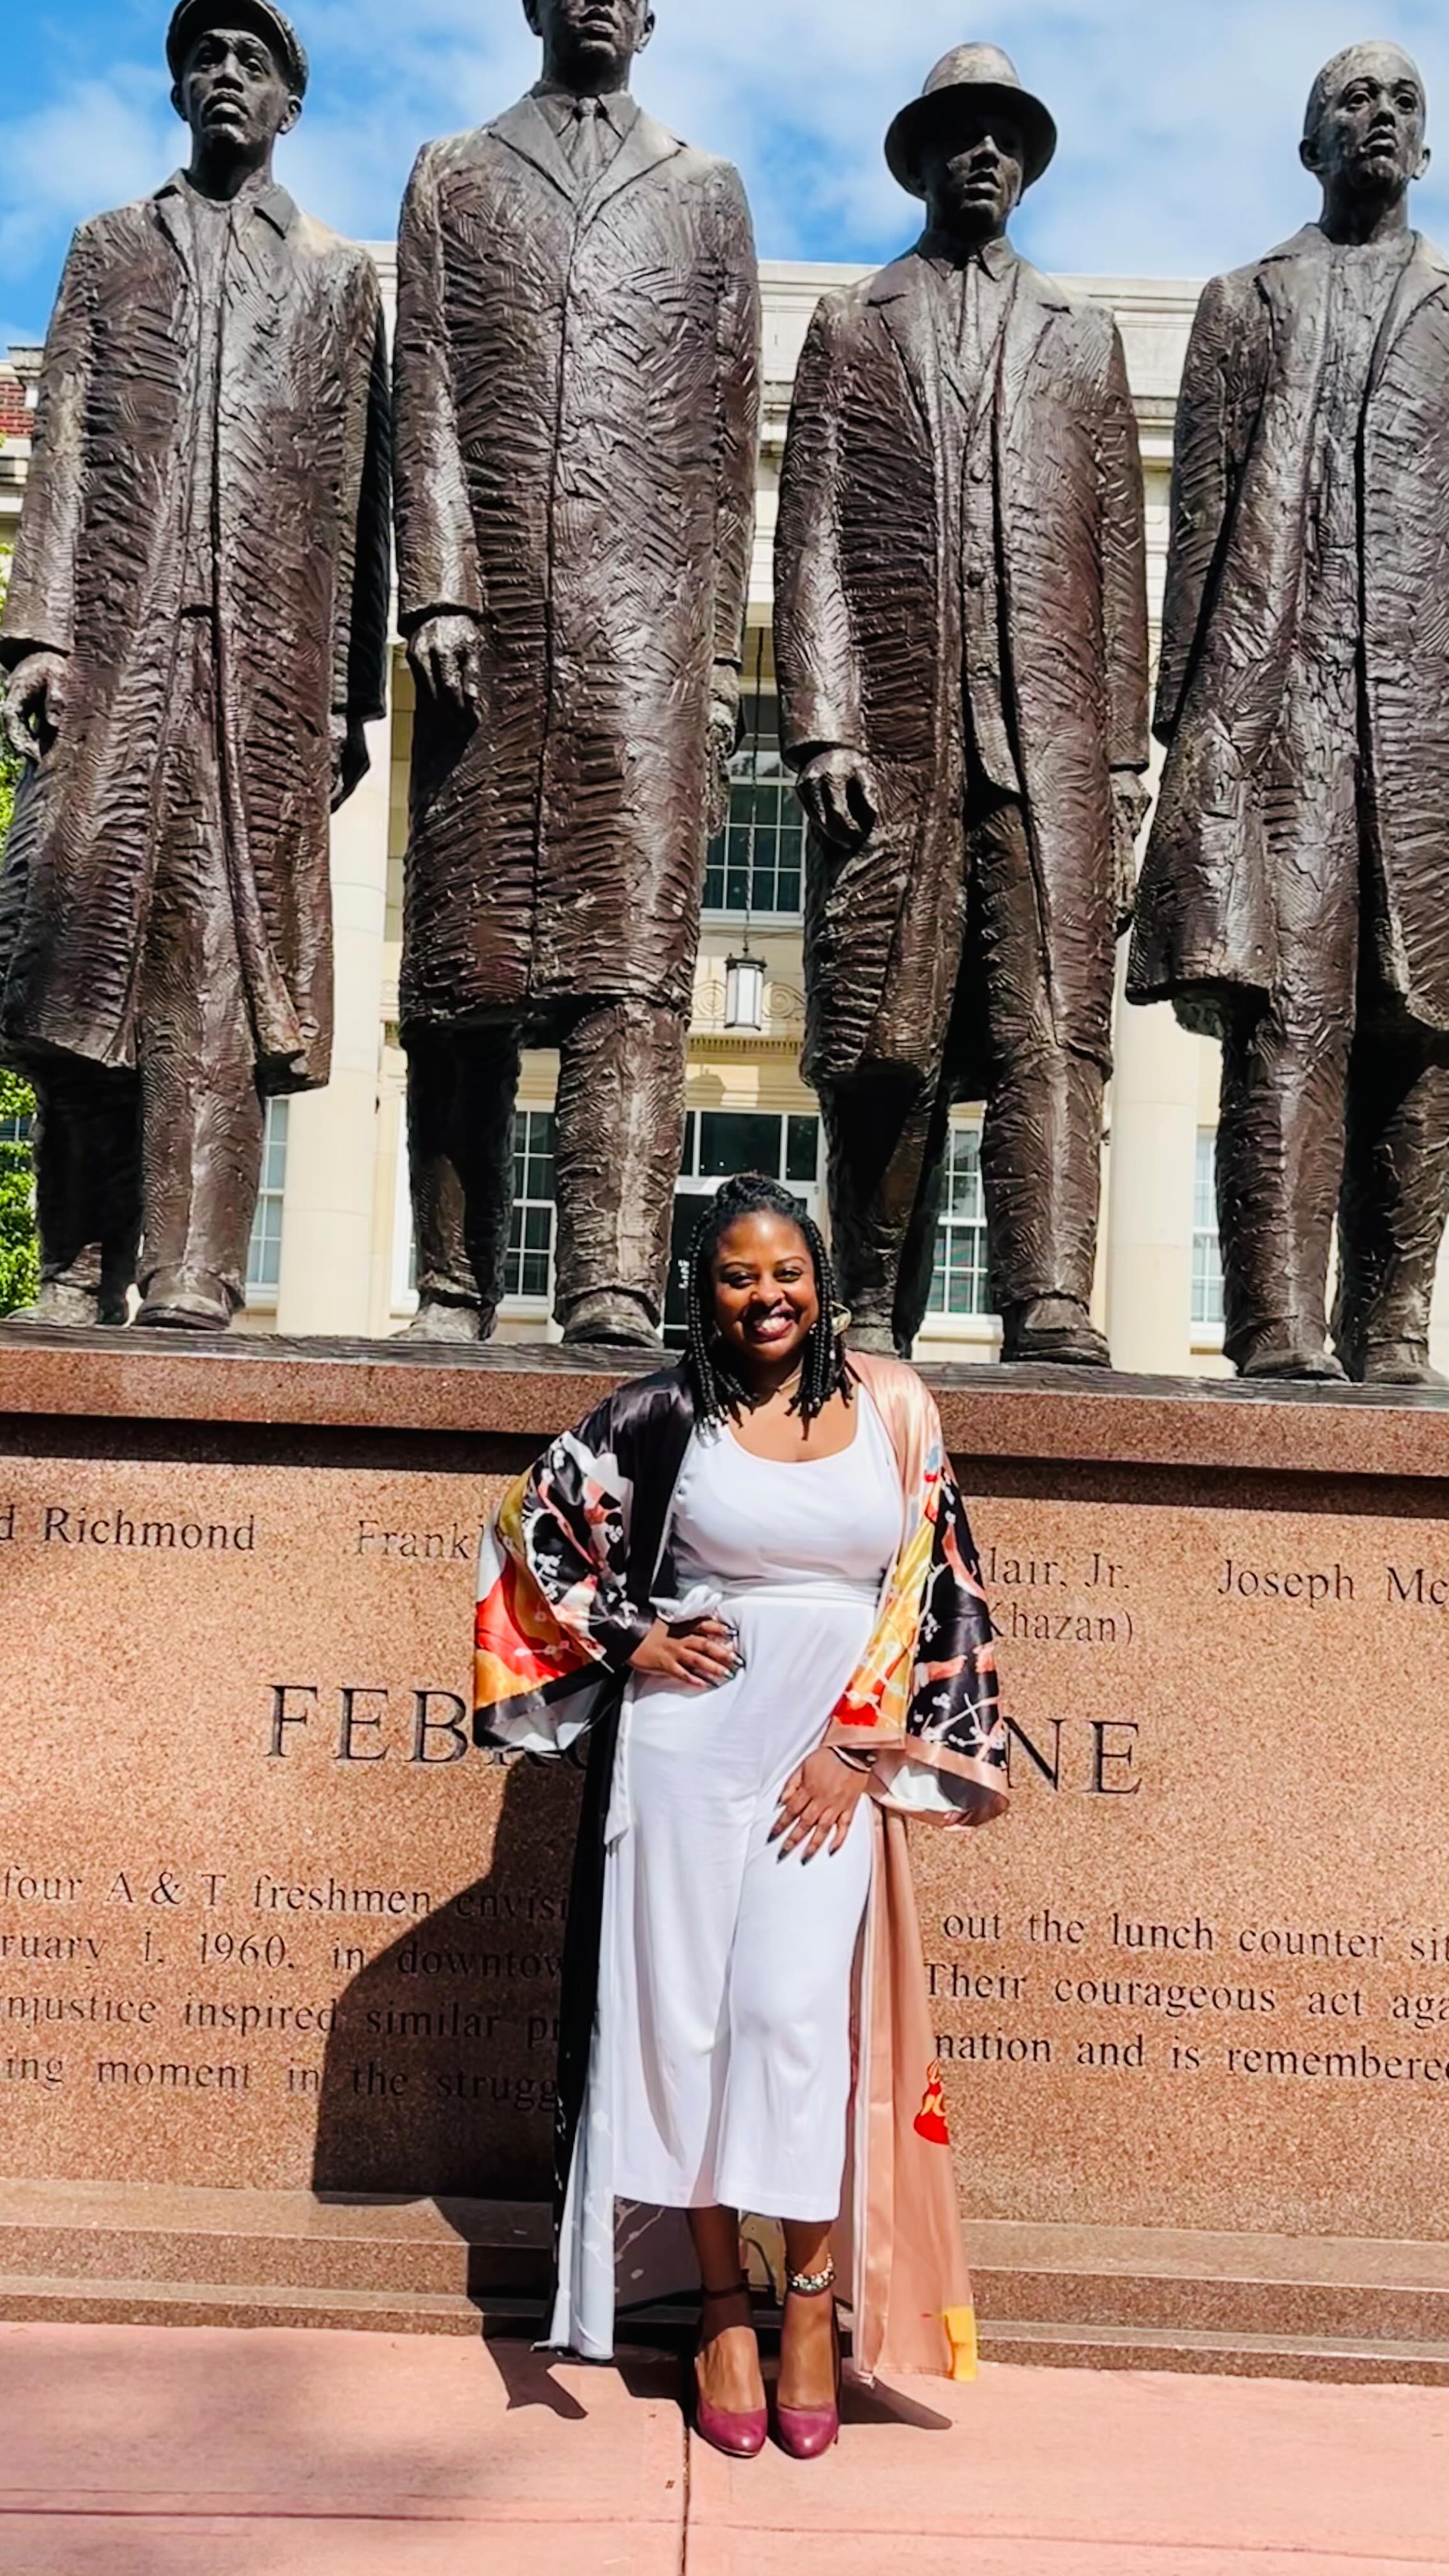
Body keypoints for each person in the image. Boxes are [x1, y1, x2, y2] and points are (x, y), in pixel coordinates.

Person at [474, 1173, 1008, 2456]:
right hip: (685, 1759)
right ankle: (721, 2307)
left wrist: (859, 1745)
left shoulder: (893, 1405)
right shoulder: (659, 1413)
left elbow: (930, 1580)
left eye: (785, 1272)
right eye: (735, 1275)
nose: (765, 1297)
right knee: (688, 2029)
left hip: (826, 1767)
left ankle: (811, 2303)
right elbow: (525, 1537)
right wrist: (631, 1635)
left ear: (819, 1276)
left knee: (789, 2021)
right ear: (700, 1292)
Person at [0, 1, 390, 1331]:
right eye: (204, 59)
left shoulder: (338, 281)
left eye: (255, 63)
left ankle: (194, 1267)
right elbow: (59, 455)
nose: (226, 77)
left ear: (291, 104)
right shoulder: (112, 247)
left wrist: (347, 696)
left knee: (214, 963)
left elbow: (357, 500)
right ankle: (71, 1260)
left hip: (262, 675)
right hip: (117, 651)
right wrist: (41, 633)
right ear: (178, 92)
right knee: (80, 952)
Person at [393, 0, 760, 1350]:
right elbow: (422, 379)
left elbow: (728, 433)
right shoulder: (455, 169)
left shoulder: (707, 192)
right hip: (487, 620)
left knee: (632, 971)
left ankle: (606, 1282)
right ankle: (451, 1277)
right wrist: (435, 580)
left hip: (644, 637)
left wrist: (718, 663)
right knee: (461, 968)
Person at [774, 45, 1149, 1367]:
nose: (983, 155)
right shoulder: (853, 325)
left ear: (1027, 164)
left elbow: (1115, 566)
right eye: (960, 135)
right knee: (889, 1035)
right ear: (921, 157)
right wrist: (818, 717)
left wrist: (1117, 757)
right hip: (896, 739)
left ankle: (1048, 1296)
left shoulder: (1082, 337)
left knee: (1055, 1027)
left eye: (1005, 137)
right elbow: (809, 532)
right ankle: (874, 1301)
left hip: (1045, 753)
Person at [1129, 44, 1449, 1384]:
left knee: (1425, 1029)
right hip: (1283, 714)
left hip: (1429, 720)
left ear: (1426, 148)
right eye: (1349, 104)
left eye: (1404, 105)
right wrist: (1184, 735)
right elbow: (1198, 523)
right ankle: (1273, 1323)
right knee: (1288, 1020)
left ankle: (1392, 1327)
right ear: (1309, 146)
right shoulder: (1243, 303)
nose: (1379, 120)